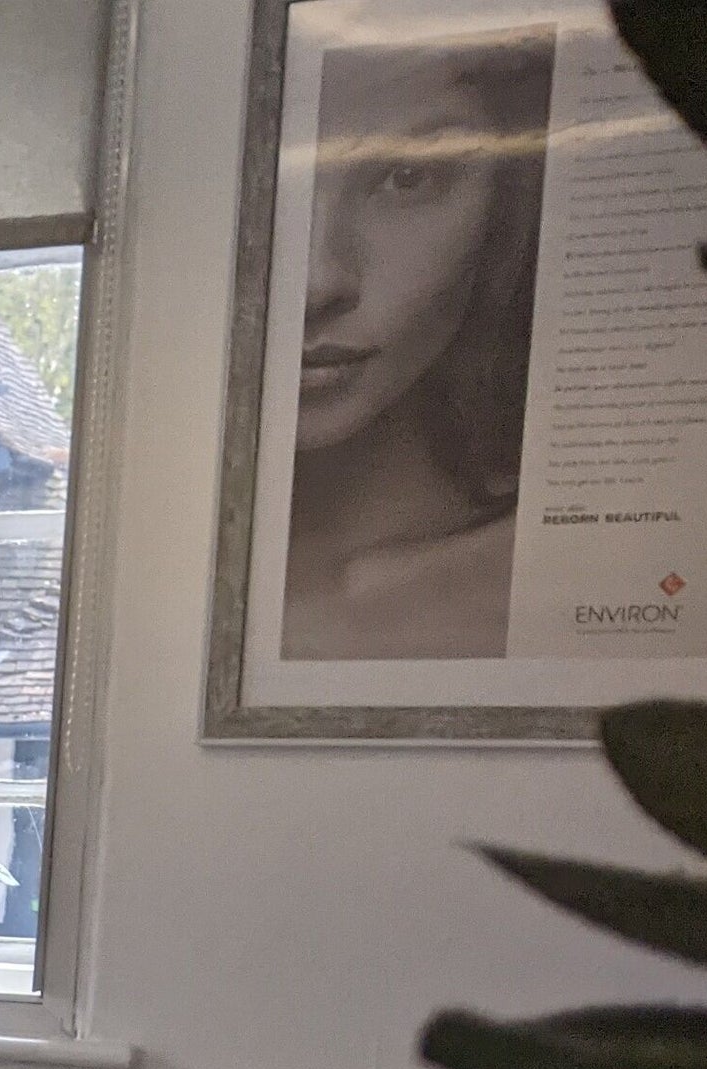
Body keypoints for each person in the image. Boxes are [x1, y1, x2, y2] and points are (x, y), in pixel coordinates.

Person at [278, 27, 554, 662]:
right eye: (270, 195)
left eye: (406, 178)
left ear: (509, 207)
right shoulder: (156, 573)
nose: (317, 281)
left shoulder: (538, 586)